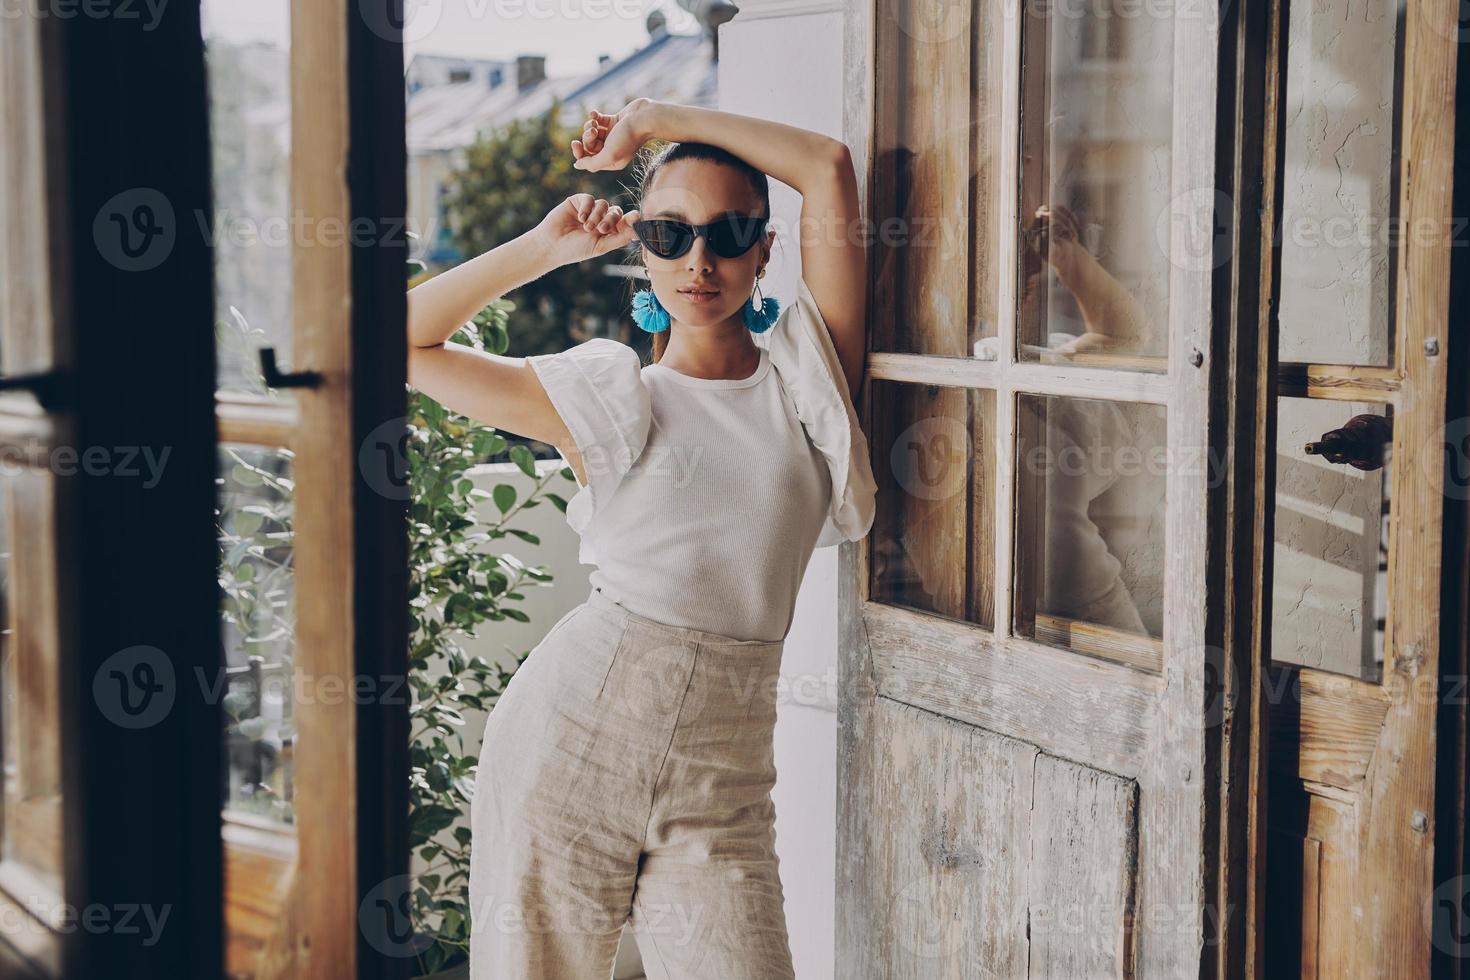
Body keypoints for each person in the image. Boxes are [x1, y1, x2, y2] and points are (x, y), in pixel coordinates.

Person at [405, 97, 877, 979]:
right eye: (667, 236)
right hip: (574, 740)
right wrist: (541, 250)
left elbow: (826, 166)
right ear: (640, 252)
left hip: (725, 776)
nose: (699, 259)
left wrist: (652, 118)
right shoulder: (612, 398)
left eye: (729, 232)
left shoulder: (809, 386)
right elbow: (399, 341)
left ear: (765, 249)